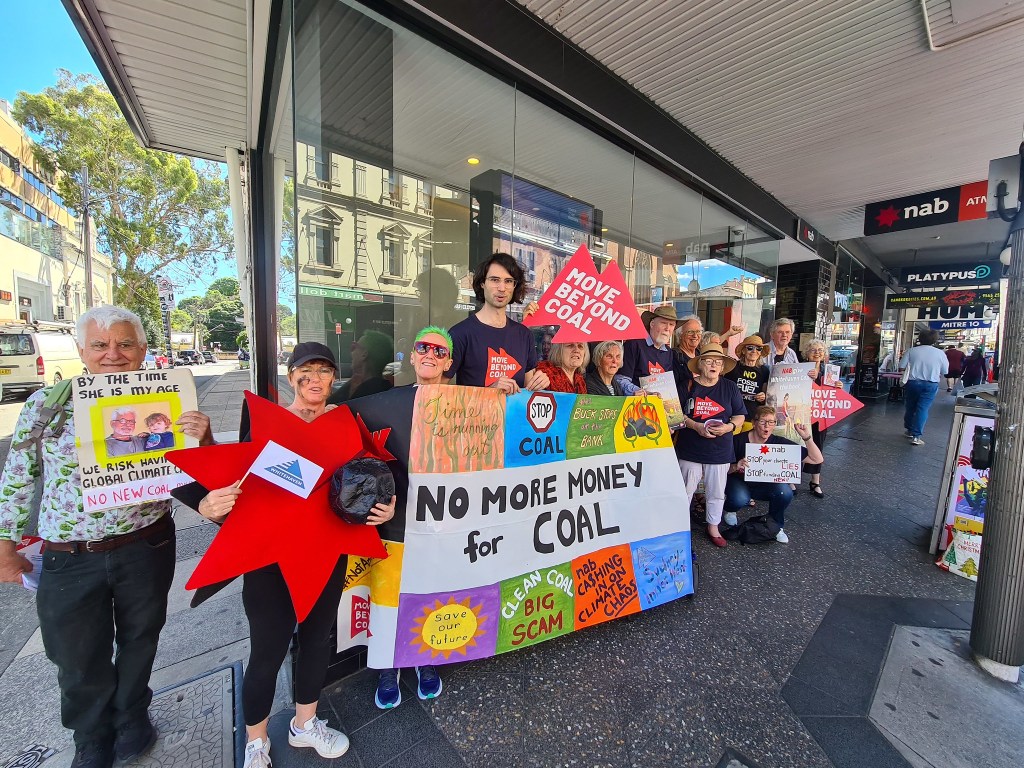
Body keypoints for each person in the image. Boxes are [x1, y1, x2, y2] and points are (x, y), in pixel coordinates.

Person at [0, 305, 213, 768]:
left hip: (147, 542)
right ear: (82, 351)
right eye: (100, 345)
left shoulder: (169, 400)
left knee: (142, 637)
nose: (113, 354)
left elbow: (192, 470)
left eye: (125, 344)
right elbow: (18, 476)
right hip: (70, 554)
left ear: (141, 350)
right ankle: (90, 736)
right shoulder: (48, 405)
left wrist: (205, 437)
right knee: (76, 653)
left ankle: (132, 717)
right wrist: (5, 546)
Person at [189, 342, 396, 768]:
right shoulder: (268, 424)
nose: (315, 378)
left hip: (326, 549)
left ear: (332, 378)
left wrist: (386, 505)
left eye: (323, 370)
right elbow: (232, 485)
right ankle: (256, 741)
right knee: (267, 650)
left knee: (318, 641)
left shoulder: (346, 425)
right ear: (291, 376)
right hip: (269, 558)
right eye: (306, 369)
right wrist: (208, 501)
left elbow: (371, 478)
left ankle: (305, 725)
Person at [373, 328, 449, 711]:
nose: (430, 354)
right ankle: (388, 666)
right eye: (423, 347)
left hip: (441, 519)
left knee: (429, 588)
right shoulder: (388, 402)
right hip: (395, 519)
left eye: (439, 350)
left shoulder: (469, 403)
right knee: (388, 594)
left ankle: (425, 658)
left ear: (448, 362)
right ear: (413, 356)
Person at [674, 343, 746, 547]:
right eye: (708, 361)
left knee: (716, 490)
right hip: (690, 448)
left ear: (722, 367)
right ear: (700, 365)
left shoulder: (729, 387)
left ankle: (713, 526)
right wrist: (695, 425)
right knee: (685, 489)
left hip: (720, 450)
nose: (714, 365)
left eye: (718, 362)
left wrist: (729, 427)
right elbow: (677, 415)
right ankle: (678, 526)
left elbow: (740, 415)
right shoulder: (687, 386)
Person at [445, 252, 549, 394]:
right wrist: (491, 392)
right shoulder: (460, 334)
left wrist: (539, 383)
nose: (502, 288)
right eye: (495, 280)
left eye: (508, 281)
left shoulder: (524, 335)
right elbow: (441, 393)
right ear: (482, 283)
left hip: (514, 416)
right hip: (475, 415)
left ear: (514, 286)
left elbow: (528, 390)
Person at [724, 406, 824, 544]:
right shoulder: (737, 441)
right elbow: (721, 470)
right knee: (739, 498)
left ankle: (776, 525)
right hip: (739, 482)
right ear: (753, 422)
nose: (767, 426)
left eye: (771, 422)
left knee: (785, 492)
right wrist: (736, 466)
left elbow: (817, 459)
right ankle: (730, 510)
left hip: (766, 485)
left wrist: (807, 437)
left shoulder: (779, 443)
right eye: (763, 422)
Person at [899, 328, 948, 445]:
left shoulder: (912, 351)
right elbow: (945, 371)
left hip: (913, 383)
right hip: (930, 384)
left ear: (920, 338)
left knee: (910, 406)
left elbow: (901, 366)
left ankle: (909, 429)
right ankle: (916, 436)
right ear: (935, 340)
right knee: (923, 408)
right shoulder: (940, 353)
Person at [329, 330, 394, 403]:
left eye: (354, 347)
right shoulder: (385, 391)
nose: (351, 352)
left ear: (364, 354)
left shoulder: (368, 393)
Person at [621, 305, 677, 387]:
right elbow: (621, 379)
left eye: (671, 324)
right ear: (652, 324)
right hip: (636, 399)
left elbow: (667, 384)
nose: (667, 328)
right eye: (663, 323)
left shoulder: (668, 352)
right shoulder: (634, 344)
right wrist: (638, 392)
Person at [801, 339, 830, 498]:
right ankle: (792, 479)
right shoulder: (800, 368)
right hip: (802, 413)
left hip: (821, 415)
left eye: (820, 350)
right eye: (813, 350)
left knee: (818, 446)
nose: (817, 352)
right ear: (807, 354)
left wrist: (838, 385)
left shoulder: (829, 371)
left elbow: (833, 393)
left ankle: (815, 481)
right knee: (797, 444)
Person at [724, 335, 770, 426]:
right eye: (750, 348)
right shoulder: (733, 367)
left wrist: (763, 396)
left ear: (760, 353)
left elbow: (766, 395)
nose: (754, 351)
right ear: (743, 351)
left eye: (758, 349)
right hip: (732, 415)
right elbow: (724, 390)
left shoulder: (764, 371)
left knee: (747, 440)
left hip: (752, 416)